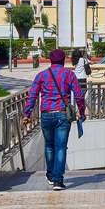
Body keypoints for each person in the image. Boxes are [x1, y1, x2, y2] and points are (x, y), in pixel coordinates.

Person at [23, 49, 85, 191]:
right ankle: (58, 180)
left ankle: (50, 175)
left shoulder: (41, 75)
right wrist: (81, 111)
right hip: (63, 115)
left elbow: (32, 95)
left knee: (49, 146)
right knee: (61, 148)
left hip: (46, 115)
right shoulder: (69, 74)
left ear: (50, 60)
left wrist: (27, 114)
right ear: (64, 60)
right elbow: (79, 95)